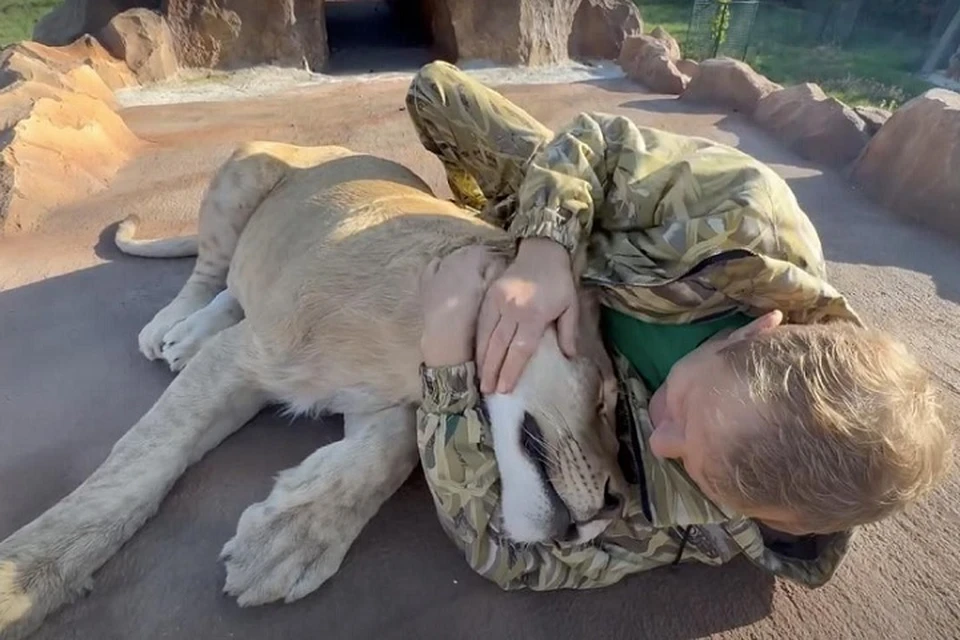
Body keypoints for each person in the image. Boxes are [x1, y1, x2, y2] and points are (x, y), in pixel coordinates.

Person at [405, 61, 952, 590]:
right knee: (434, 93)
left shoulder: (720, 522)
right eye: (685, 412)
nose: (661, 446)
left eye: (701, 474)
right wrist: (544, 246)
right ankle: (486, 211)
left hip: (553, 306)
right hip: (587, 231)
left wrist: (446, 359)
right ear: (754, 332)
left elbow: (508, 557)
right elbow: (600, 141)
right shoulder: (749, 211)